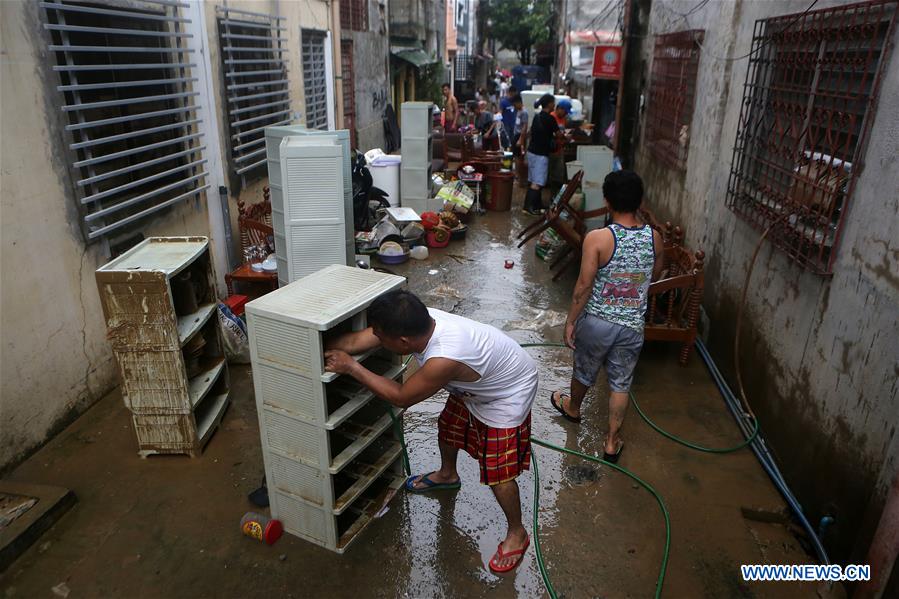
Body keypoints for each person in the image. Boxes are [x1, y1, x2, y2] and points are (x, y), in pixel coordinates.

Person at [324, 290, 538, 573]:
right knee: (449, 426)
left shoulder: (443, 358)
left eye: (380, 336)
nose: (376, 338)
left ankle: (517, 532)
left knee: (498, 470)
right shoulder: (415, 322)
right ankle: (448, 475)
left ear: (402, 342)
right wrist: (311, 340)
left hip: (508, 391)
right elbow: (354, 341)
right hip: (476, 385)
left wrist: (351, 367)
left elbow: (401, 396)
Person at [550, 171, 663, 463]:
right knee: (621, 382)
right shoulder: (654, 238)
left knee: (584, 368)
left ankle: (573, 409)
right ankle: (612, 442)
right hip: (631, 326)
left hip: (598, 323)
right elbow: (655, 274)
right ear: (640, 201)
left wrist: (571, 321)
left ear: (607, 201)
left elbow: (584, 286)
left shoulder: (598, 238)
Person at [524, 94, 566, 215]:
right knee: (537, 182)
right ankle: (529, 207)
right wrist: (565, 136)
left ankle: (536, 204)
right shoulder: (550, 119)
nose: (554, 105)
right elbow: (559, 135)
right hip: (540, 154)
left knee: (533, 180)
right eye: (553, 103)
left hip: (532, 151)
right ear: (549, 104)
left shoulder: (537, 116)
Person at [547, 98, 572, 193]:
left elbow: (562, 131)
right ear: (559, 109)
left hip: (560, 149)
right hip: (551, 150)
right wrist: (563, 136)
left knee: (559, 176)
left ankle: (555, 197)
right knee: (551, 175)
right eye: (565, 111)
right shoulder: (551, 117)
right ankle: (551, 197)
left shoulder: (564, 119)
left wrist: (566, 137)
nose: (566, 114)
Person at [511, 94, 528, 159]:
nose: (514, 106)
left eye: (514, 105)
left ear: (519, 102)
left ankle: (518, 169)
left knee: (519, 156)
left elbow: (524, 126)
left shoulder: (524, 112)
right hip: (516, 135)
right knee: (515, 155)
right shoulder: (519, 111)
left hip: (520, 136)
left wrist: (521, 139)